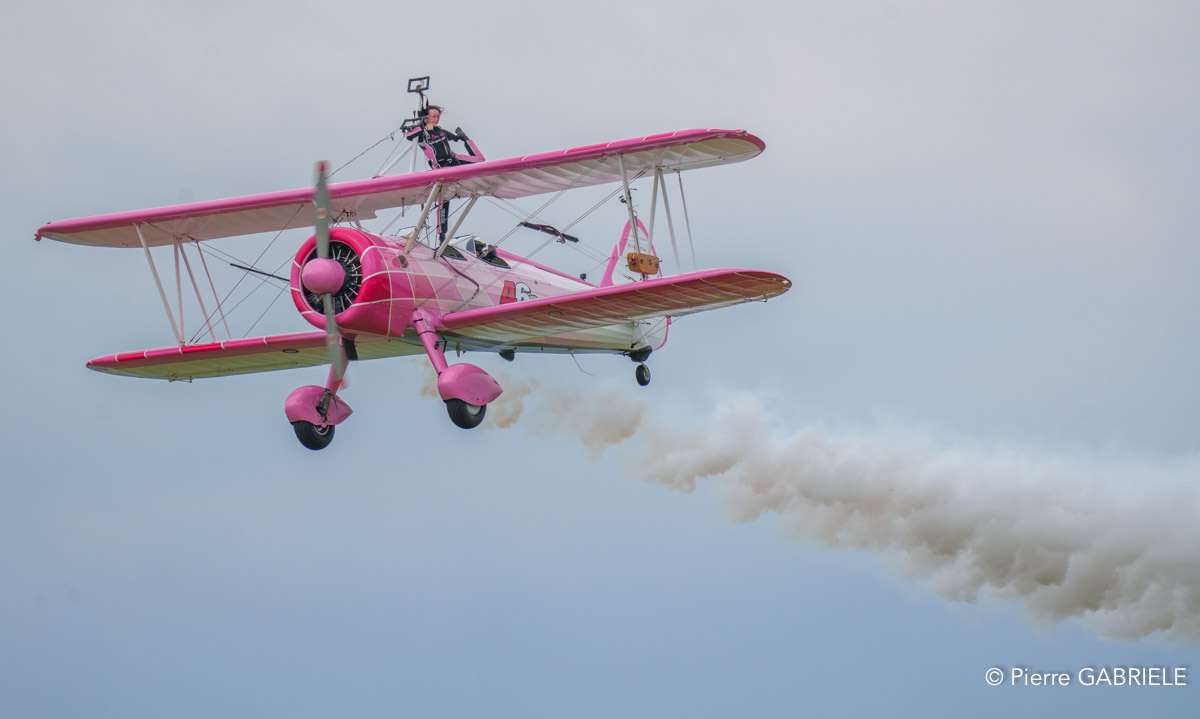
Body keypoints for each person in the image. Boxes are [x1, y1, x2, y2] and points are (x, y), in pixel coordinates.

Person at [404, 105, 486, 242]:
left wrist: (461, 137)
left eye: (438, 116)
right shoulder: (423, 135)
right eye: (433, 116)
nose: (436, 119)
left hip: (454, 159)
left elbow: (454, 137)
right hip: (440, 168)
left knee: (480, 160)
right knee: (444, 199)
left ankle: (466, 138)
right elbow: (409, 136)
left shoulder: (440, 131)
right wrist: (421, 126)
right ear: (426, 117)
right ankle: (442, 235)